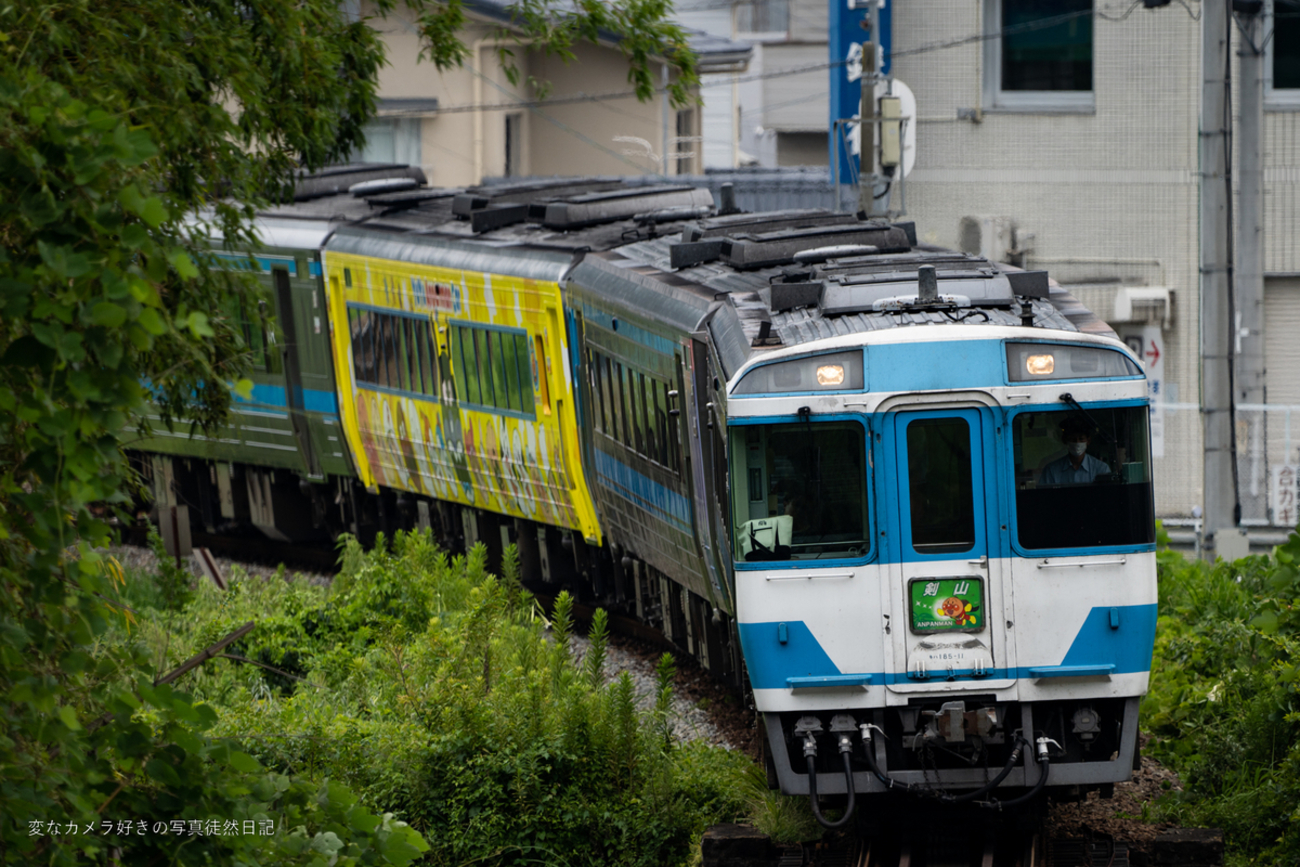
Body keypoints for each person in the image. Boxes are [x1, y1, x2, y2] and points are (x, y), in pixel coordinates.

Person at [1038, 418, 1110, 485]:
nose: (1077, 442)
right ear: (1065, 440)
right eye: (1073, 439)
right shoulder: (1052, 470)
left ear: (1088, 441)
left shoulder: (1101, 469)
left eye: (1081, 439)